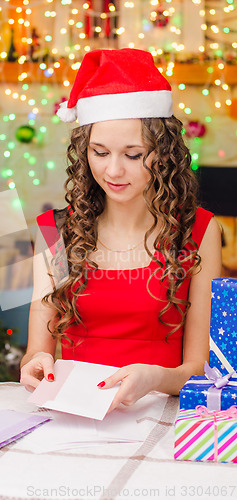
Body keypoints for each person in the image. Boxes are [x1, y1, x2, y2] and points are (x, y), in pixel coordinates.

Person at [20, 48, 222, 412]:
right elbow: (38, 351)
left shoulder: (200, 230)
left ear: (163, 154)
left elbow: (201, 369)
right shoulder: (54, 232)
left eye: (133, 155)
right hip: (71, 415)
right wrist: (34, 364)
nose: (113, 171)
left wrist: (156, 378)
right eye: (100, 152)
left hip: (161, 413)